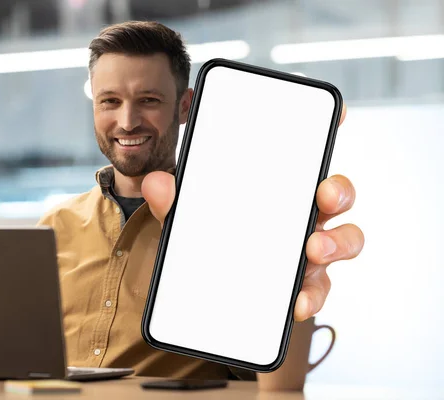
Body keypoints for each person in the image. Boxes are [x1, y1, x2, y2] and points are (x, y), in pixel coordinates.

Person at [38, 21, 364, 380]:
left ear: (184, 106)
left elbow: (267, 380)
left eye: (148, 100)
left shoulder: (231, 221)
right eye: (110, 101)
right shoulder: (55, 224)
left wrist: (284, 289)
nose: (127, 121)